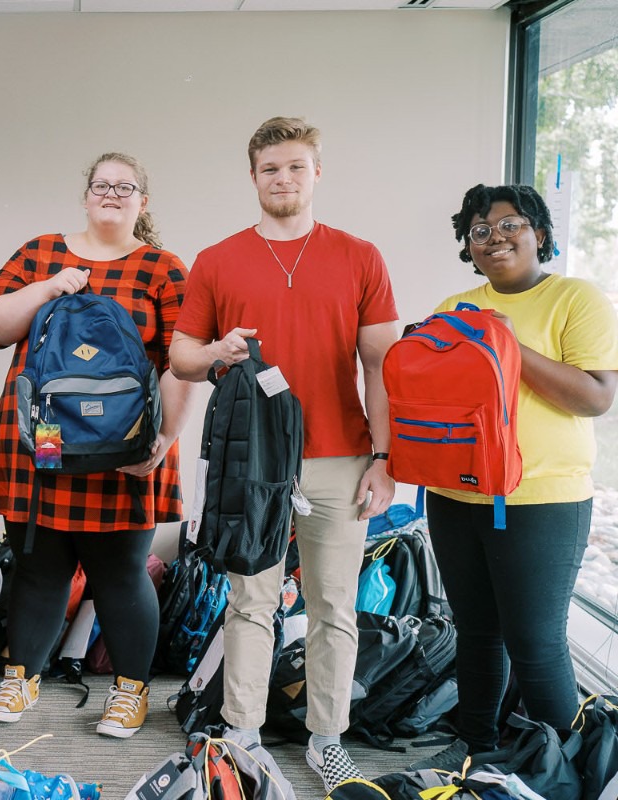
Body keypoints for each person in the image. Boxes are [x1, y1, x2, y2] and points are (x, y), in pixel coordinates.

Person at [168, 117, 398, 791]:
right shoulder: (217, 259)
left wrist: (385, 460)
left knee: (334, 608)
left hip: (342, 458)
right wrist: (215, 353)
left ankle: (325, 741)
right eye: (271, 168)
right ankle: (241, 737)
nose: (284, 178)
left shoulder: (360, 256)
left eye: (297, 167)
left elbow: (382, 366)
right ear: (253, 177)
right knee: (250, 604)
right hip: (253, 462)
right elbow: (181, 358)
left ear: (316, 173)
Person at [0, 152, 191, 739]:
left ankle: (129, 692)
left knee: (121, 572)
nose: (113, 194)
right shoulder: (40, 253)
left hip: (127, 444)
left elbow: (181, 362)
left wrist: (166, 438)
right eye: (103, 185)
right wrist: (48, 287)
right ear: (86, 194)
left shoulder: (163, 269)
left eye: (127, 187)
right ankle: (21, 677)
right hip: (42, 440)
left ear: (143, 202)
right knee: (38, 566)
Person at [408, 184, 618, 771]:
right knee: (475, 631)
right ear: (467, 245)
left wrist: (505, 341)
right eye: (480, 231)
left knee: (535, 639)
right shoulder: (455, 305)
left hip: (541, 498)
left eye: (509, 225)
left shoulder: (576, 299)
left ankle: (563, 766)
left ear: (540, 234)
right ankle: (476, 748)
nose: (494, 238)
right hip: (455, 493)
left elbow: (596, 398)